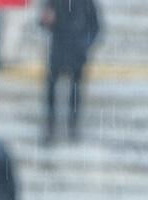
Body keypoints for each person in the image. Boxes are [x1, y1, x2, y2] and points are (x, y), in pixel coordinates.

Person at [41, 0, 102, 143]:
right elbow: (43, 22)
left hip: (76, 52)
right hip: (58, 51)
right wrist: (46, 21)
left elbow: (95, 27)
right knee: (51, 88)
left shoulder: (87, 3)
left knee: (75, 90)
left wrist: (84, 45)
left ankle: (73, 126)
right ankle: (50, 126)